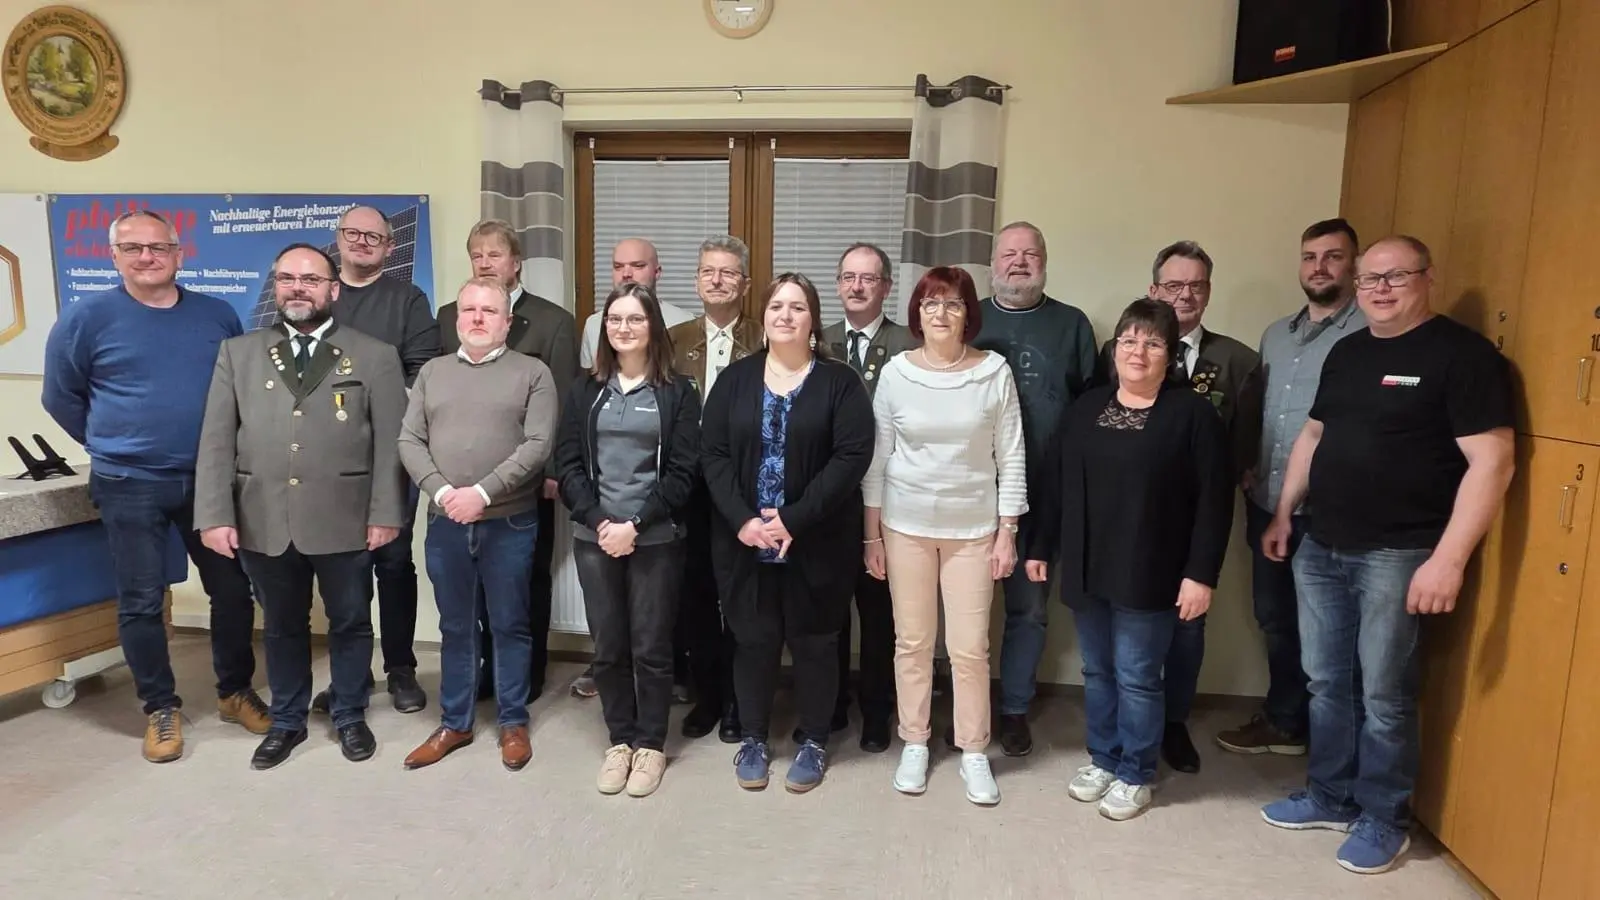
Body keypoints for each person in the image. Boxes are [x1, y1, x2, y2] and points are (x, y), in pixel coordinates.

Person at [1260, 235, 1514, 875]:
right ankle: (1330, 795)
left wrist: (1449, 559)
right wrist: (1286, 513)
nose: (1379, 288)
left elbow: (1493, 462)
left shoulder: (1463, 356)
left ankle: (1383, 817)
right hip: (1322, 543)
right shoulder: (1347, 352)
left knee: (1384, 694)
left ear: (1428, 278)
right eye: (1370, 278)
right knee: (1326, 682)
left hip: (1398, 553)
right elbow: (1313, 435)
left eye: (1395, 276)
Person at [41, 209, 267, 763]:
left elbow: (237, 392)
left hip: (209, 480)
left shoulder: (216, 314)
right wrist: (109, 440)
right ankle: (160, 708)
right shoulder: (86, 318)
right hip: (128, 481)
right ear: (113, 256)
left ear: (179, 254)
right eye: (133, 248)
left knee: (233, 590)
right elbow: (60, 396)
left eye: (159, 247)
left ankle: (234, 691)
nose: (147, 257)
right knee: (141, 600)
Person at [194, 243, 408, 770]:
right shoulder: (238, 354)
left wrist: (386, 513)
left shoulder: (375, 355)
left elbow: (391, 445)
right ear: (275, 287)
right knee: (281, 625)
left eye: (311, 279)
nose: (298, 288)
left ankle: (349, 712)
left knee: (351, 621)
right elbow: (217, 440)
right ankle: (287, 720)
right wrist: (215, 515)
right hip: (264, 516)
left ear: (333, 289)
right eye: (287, 278)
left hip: (345, 516)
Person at [1033, 298, 1233, 821]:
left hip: (1152, 571)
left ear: (1171, 354)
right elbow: (1055, 484)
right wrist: (1039, 546)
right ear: (1114, 348)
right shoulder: (1086, 409)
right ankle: (1104, 757)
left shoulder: (1192, 415)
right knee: (1097, 670)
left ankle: (1136, 771)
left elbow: (1214, 502)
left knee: (1138, 675)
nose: (1137, 351)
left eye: (1152, 342)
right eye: (1128, 340)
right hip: (1089, 565)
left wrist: (1201, 575)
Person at [700, 272, 875, 794]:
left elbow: (851, 457)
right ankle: (753, 739)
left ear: (813, 320)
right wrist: (744, 520)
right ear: (765, 316)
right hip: (745, 540)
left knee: (816, 642)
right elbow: (713, 455)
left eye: (797, 307)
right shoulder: (734, 380)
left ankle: (815, 740)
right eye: (777, 306)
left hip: (817, 538)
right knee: (752, 640)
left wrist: (794, 518)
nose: (785, 315)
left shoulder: (840, 382)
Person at [862, 266, 1025, 806]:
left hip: (973, 530)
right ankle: (914, 740)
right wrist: (871, 536)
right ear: (917, 312)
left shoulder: (993, 372)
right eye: (930, 303)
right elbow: (878, 458)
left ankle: (974, 750)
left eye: (952, 303)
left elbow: (1012, 456)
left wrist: (1007, 532)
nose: (940, 313)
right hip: (904, 525)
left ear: (967, 314)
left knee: (969, 648)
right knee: (912, 642)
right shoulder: (897, 373)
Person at [1216, 218, 1365, 758]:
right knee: (1275, 618)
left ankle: (1335, 747)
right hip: (1268, 502)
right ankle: (1285, 722)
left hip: (1331, 509)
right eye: (1309, 257)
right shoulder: (1276, 335)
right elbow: (1260, 409)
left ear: (1354, 264)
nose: (1319, 267)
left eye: (1332, 256)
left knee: (1333, 632)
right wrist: (1247, 464)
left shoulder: (1371, 332)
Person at [397, 277, 557, 772]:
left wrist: (482, 493)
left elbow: (538, 445)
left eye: (489, 310)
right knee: (456, 626)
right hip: (445, 521)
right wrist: (445, 493)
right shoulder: (433, 372)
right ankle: (456, 723)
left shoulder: (533, 372)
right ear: (457, 318)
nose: (478, 318)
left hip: (509, 522)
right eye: (469, 310)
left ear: (507, 322)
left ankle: (513, 722)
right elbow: (409, 440)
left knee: (510, 624)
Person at [555, 282, 701, 798]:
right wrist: (602, 523)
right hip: (595, 538)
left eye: (635, 319)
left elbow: (683, 472)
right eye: (615, 319)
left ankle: (651, 745)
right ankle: (620, 740)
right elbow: (567, 465)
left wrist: (634, 525)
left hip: (655, 537)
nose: (624, 328)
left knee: (652, 647)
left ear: (653, 326)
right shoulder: (585, 390)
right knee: (609, 647)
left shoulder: (678, 392)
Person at [971, 221, 1099, 757]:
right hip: (970, 493)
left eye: (1030, 254)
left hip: (1043, 497)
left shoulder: (1072, 325)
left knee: (1028, 610)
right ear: (992, 263)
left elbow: (1092, 408)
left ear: (1044, 261)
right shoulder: (967, 317)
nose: (1019, 263)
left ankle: (1014, 708)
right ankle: (966, 707)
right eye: (1009, 254)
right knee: (966, 610)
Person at [438, 219, 579, 703]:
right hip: (461, 479)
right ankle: (482, 672)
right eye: (477, 254)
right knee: (469, 587)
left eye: (494, 254)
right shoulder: (449, 317)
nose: (485, 262)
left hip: (526, 479)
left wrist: (554, 470)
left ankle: (525, 675)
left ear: (516, 263)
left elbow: (562, 402)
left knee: (525, 582)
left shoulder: (553, 321)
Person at [306, 205, 439, 716]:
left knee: (394, 564)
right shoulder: (317, 296)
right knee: (345, 569)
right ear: (338, 239)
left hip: (390, 456)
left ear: (389, 246)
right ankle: (352, 675)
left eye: (373, 236)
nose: (361, 242)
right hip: (326, 461)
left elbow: (422, 372)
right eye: (352, 233)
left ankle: (400, 668)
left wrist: (363, 404)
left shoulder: (407, 299)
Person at [1138, 240, 1263, 775]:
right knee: (1132, 622)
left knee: (1187, 626)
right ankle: (1132, 723)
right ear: (1154, 290)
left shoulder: (1237, 360)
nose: (1184, 295)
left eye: (1196, 286)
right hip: (1136, 515)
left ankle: (1173, 723)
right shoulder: (1124, 348)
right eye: (1174, 285)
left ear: (1209, 292)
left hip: (1197, 520)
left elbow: (1246, 444)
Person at [819, 242, 919, 754]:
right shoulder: (818, 340)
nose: (857, 287)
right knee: (831, 612)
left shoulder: (909, 342)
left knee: (881, 615)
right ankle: (833, 704)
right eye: (849, 277)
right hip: (831, 500)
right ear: (838, 284)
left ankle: (878, 710)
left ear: (886, 287)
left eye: (869, 278)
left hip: (893, 500)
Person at [669, 236, 764, 743]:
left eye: (728, 272)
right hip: (690, 489)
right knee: (698, 596)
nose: (717, 280)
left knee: (744, 598)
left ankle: (739, 702)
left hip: (747, 490)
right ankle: (709, 697)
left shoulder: (766, 336)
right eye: (708, 271)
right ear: (696, 280)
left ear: (745, 284)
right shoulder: (673, 339)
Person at [579, 238, 695, 368]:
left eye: (638, 266)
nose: (626, 274)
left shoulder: (685, 324)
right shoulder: (594, 325)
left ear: (657, 272)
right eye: (618, 267)